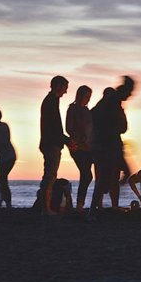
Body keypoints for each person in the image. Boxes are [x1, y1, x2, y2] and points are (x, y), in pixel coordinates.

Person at [91, 76, 136, 215]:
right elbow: (121, 127)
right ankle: (93, 210)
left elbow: (122, 127)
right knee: (106, 178)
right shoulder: (112, 102)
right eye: (129, 92)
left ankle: (103, 205)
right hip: (108, 145)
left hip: (111, 144)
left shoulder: (113, 103)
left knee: (116, 175)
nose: (130, 96)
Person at [38, 75, 76, 215]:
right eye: (65, 88)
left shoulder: (51, 101)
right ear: (58, 86)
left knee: (49, 175)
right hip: (51, 143)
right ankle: (46, 209)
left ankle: (45, 208)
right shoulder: (51, 102)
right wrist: (66, 141)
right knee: (50, 176)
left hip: (50, 142)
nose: (65, 92)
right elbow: (54, 127)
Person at [66, 85, 93, 211]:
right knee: (86, 174)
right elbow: (69, 128)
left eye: (89, 97)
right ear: (80, 95)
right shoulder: (73, 109)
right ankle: (79, 204)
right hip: (77, 146)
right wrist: (79, 138)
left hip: (89, 147)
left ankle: (82, 204)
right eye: (86, 96)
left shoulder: (87, 111)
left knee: (86, 175)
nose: (87, 99)